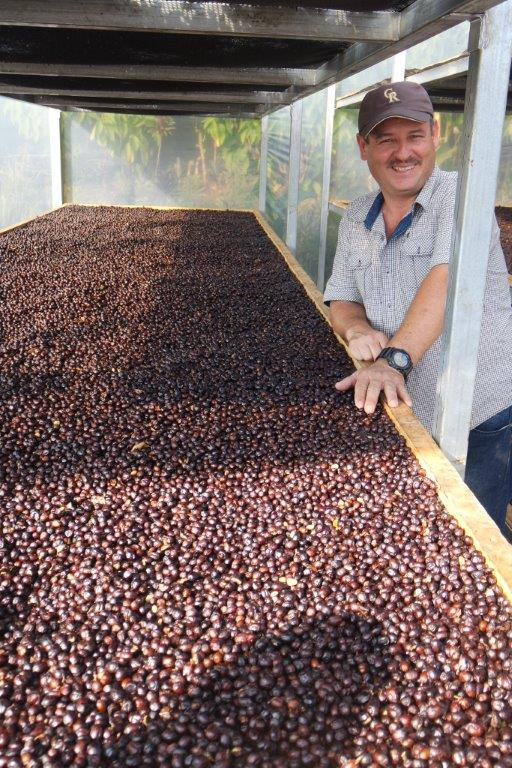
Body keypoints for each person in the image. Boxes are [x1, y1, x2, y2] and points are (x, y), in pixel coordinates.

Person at [324, 81, 512, 542]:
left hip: (479, 417)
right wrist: (356, 328)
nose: (402, 152)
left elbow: (445, 281)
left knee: (473, 545)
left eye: (414, 136)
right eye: (386, 139)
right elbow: (342, 296)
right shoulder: (357, 216)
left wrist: (393, 361)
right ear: (363, 147)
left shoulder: (461, 198)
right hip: (409, 416)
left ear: (435, 134)